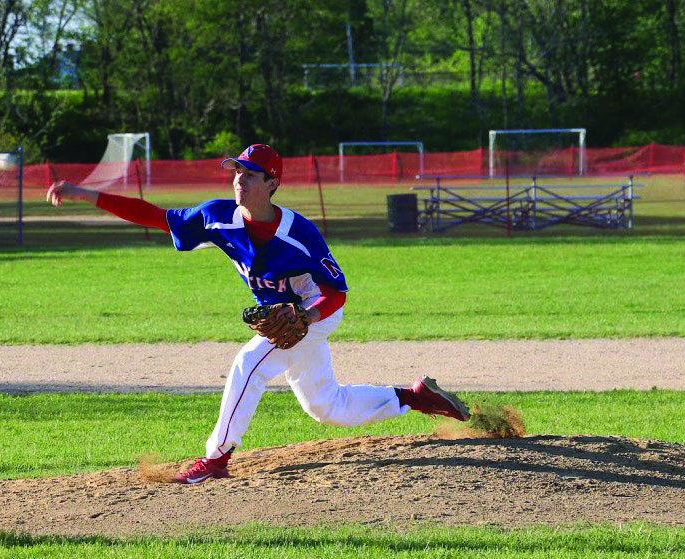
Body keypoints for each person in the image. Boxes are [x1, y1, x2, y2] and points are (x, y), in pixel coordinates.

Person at [46, 144, 470, 484]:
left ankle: (215, 458)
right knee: (327, 407)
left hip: (315, 311)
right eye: (236, 172)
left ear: (272, 184)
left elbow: (337, 292)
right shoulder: (217, 217)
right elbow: (156, 217)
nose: (239, 180)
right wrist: (86, 195)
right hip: (283, 318)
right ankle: (414, 398)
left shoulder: (298, 234)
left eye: (249, 175)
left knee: (248, 364)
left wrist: (304, 316)